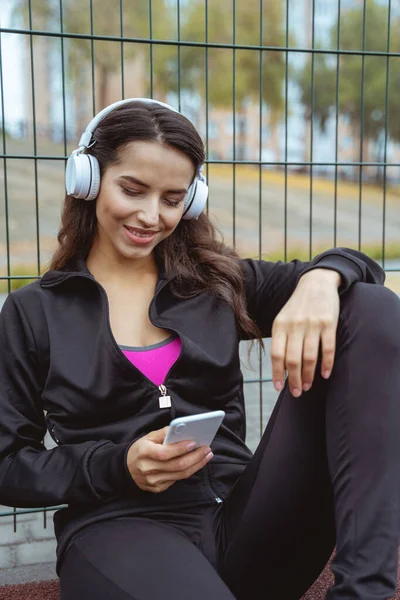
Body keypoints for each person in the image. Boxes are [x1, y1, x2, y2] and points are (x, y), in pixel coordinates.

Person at [0, 98, 399, 600]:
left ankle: (367, 593)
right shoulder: (32, 311)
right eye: (133, 189)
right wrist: (118, 464)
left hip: (246, 521)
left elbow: (364, 276)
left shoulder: (214, 284)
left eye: (172, 198)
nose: (151, 215)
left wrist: (322, 280)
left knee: (370, 306)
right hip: (119, 530)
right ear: (87, 178)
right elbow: (7, 463)